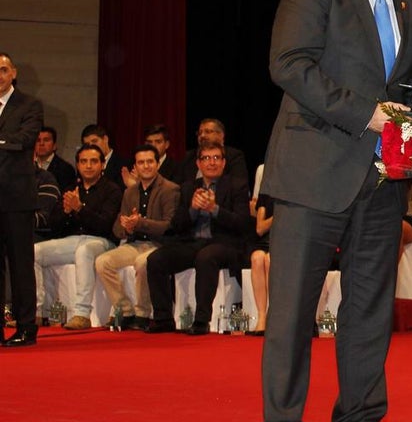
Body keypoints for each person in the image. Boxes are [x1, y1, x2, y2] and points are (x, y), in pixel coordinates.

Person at [255, 0, 412, 422]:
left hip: (382, 183)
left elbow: (407, 94)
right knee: (292, 313)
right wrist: (368, 116)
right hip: (312, 172)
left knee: (369, 312)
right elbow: (289, 64)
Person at [145, 140, 251, 335]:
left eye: (216, 158)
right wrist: (193, 209)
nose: (212, 162)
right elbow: (175, 225)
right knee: (155, 259)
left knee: (206, 256)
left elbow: (243, 224)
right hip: (192, 242)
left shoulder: (237, 186)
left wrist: (215, 209)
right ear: (198, 164)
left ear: (224, 162)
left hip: (225, 243)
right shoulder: (187, 188)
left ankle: (201, 321)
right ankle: (163, 318)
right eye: (206, 158)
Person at [34, 144, 122, 329]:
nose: (88, 166)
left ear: (102, 164)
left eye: (93, 161)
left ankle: (82, 314)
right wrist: (66, 212)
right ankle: (37, 312)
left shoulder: (112, 190)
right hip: (72, 240)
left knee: (84, 250)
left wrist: (80, 208)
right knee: (34, 251)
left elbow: (105, 226)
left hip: (102, 242)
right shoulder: (71, 188)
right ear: (77, 165)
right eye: (83, 161)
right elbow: (54, 226)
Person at [93, 144, 180, 330]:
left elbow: (169, 225)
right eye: (141, 162)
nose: (146, 166)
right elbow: (118, 226)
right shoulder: (130, 192)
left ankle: (142, 314)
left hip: (160, 244)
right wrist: (125, 226)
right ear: (136, 166)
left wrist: (140, 223)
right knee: (102, 262)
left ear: (157, 164)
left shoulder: (170, 189)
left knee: (143, 262)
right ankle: (125, 311)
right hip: (135, 243)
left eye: (150, 161)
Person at [0, 52, 45, 347]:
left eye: (3, 70)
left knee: (20, 264)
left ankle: (27, 327)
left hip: (16, 197)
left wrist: (6, 142)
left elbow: (25, 140)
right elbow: (10, 142)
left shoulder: (29, 104)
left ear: (13, 73)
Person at [173, 118, 249, 187]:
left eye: (208, 132)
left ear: (221, 135)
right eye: (199, 133)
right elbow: (177, 186)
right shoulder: (188, 157)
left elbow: (239, 186)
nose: (202, 135)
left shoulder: (234, 156)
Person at [245, 191, 274, 336]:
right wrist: (280, 216)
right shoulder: (266, 195)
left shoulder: (295, 194)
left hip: (287, 241)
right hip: (266, 241)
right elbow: (260, 228)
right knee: (257, 258)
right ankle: (261, 316)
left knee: (270, 260)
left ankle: (273, 314)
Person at [79, 124, 131, 190]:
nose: (91, 147)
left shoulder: (123, 164)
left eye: (94, 141)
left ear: (105, 139)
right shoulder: (84, 166)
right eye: (87, 144)